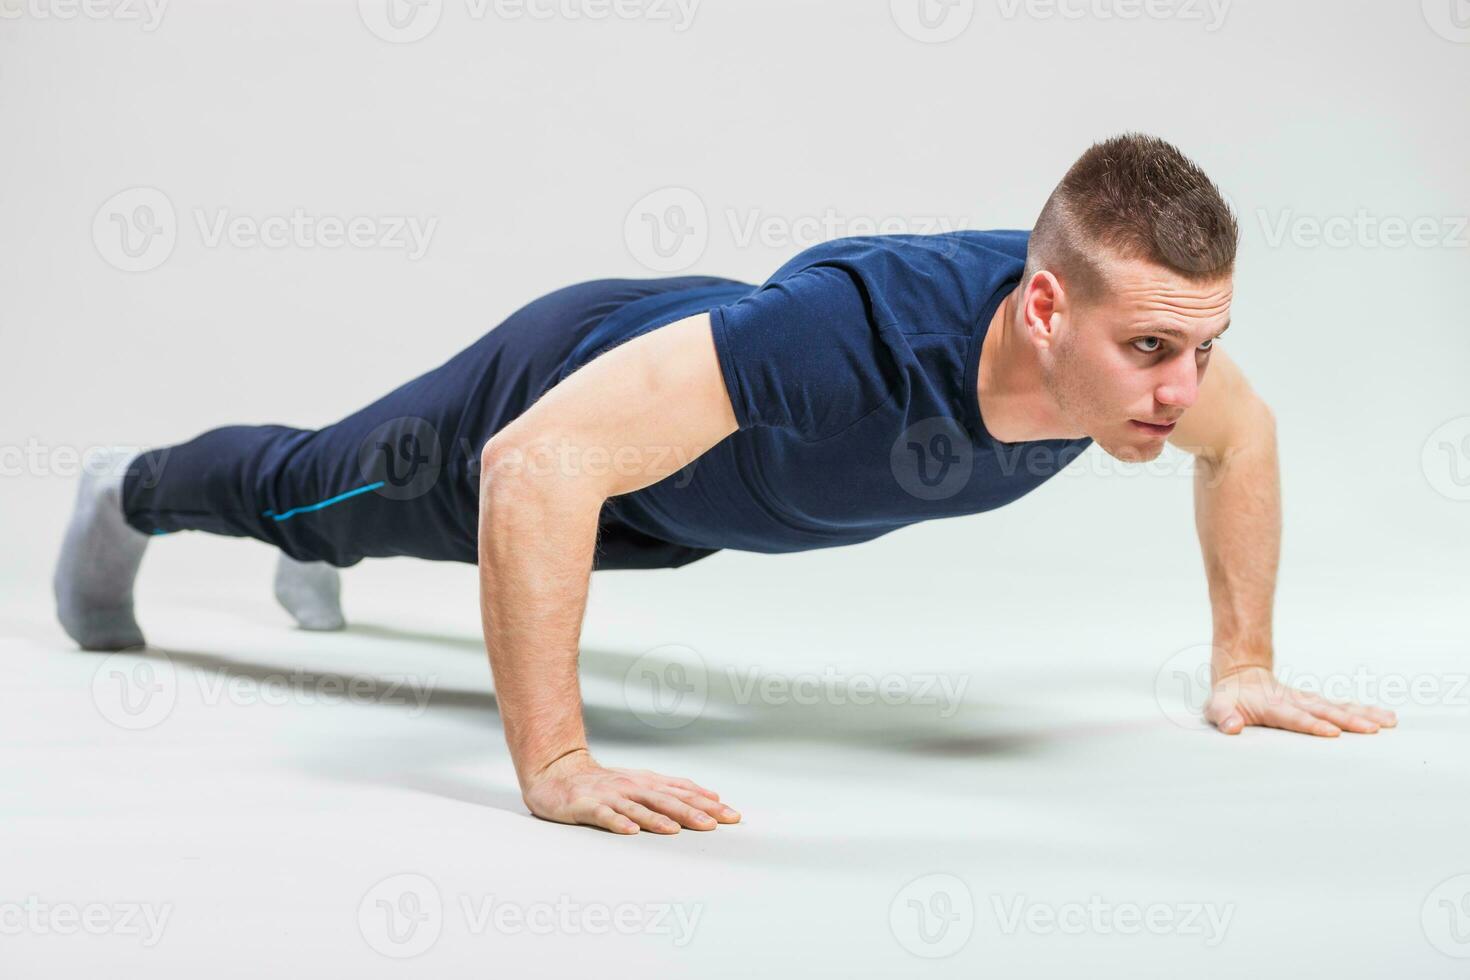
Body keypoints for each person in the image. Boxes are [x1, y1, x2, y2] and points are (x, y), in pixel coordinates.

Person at [54, 132, 1398, 836]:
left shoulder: (1146, 358)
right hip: (558, 394)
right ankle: (130, 492)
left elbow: (1245, 442)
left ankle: (351, 552)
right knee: (320, 489)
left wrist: (1242, 663)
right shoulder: (831, 346)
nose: (1182, 388)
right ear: (1044, 306)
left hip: (682, 506)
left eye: (1201, 346)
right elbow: (537, 464)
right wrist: (559, 764)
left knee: (466, 535)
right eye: (1153, 350)